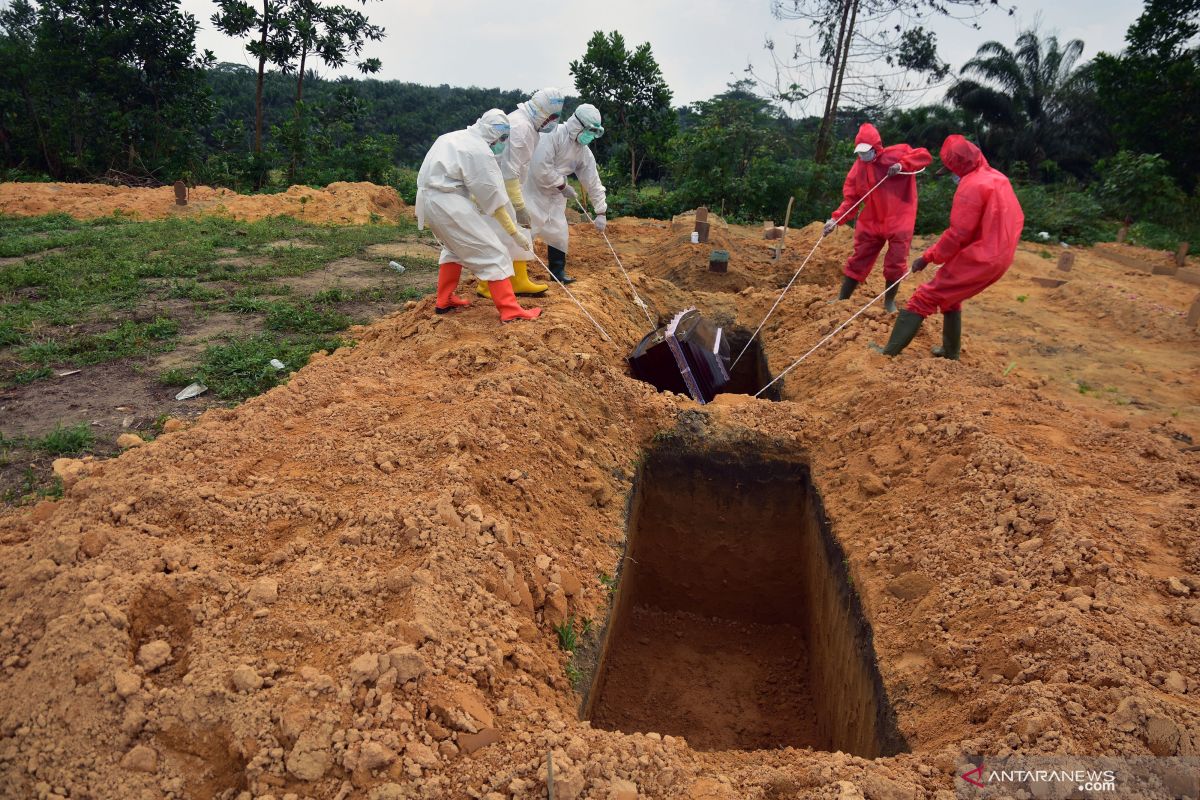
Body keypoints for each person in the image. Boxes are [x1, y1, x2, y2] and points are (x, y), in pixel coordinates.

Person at [875, 135, 1023, 359]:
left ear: (958, 165)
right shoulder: (997, 178)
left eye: (951, 169)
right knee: (951, 297)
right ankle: (950, 351)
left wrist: (927, 257)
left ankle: (887, 354)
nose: (952, 175)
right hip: (999, 254)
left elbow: (958, 234)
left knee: (924, 297)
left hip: (981, 256)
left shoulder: (972, 186)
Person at [415, 109, 541, 322]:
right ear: (495, 134)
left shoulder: (450, 137)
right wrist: (514, 233)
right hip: (449, 204)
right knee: (495, 253)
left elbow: (452, 176)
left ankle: (444, 300)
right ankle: (510, 310)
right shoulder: (479, 150)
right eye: (502, 138)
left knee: (452, 249)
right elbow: (493, 197)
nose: (502, 143)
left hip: (428, 201)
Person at [824, 123, 932, 313]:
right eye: (860, 152)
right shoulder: (858, 168)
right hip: (873, 218)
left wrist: (901, 165)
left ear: (877, 146)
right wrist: (835, 220)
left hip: (900, 217)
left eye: (867, 151)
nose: (863, 155)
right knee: (859, 257)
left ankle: (889, 302)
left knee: (896, 261)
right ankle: (843, 298)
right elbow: (852, 199)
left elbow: (924, 156)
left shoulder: (897, 154)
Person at [476, 87, 565, 300]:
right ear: (541, 112)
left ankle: (518, 280)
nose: (552, 122)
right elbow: (509, 170)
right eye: (551, 117)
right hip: (500, 186)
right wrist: (519, 205)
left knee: (516, 234)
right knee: (499, 235)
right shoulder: (521, 126)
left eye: (556, 117)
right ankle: (487, 285)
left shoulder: (528, 125)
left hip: (509, 186)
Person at [524, 103, 608, 284]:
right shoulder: (553, 135)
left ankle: (557, 273)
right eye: (588, 130)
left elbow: (592, 180)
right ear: (577, 125)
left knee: (558, 230)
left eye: (594, 132)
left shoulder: (583, 151)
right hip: (534, 188)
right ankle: (514, 276)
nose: (590, 135)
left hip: (556, 194)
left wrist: (600, 211)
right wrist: (562, 185)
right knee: (527, 228)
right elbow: (540, 167)